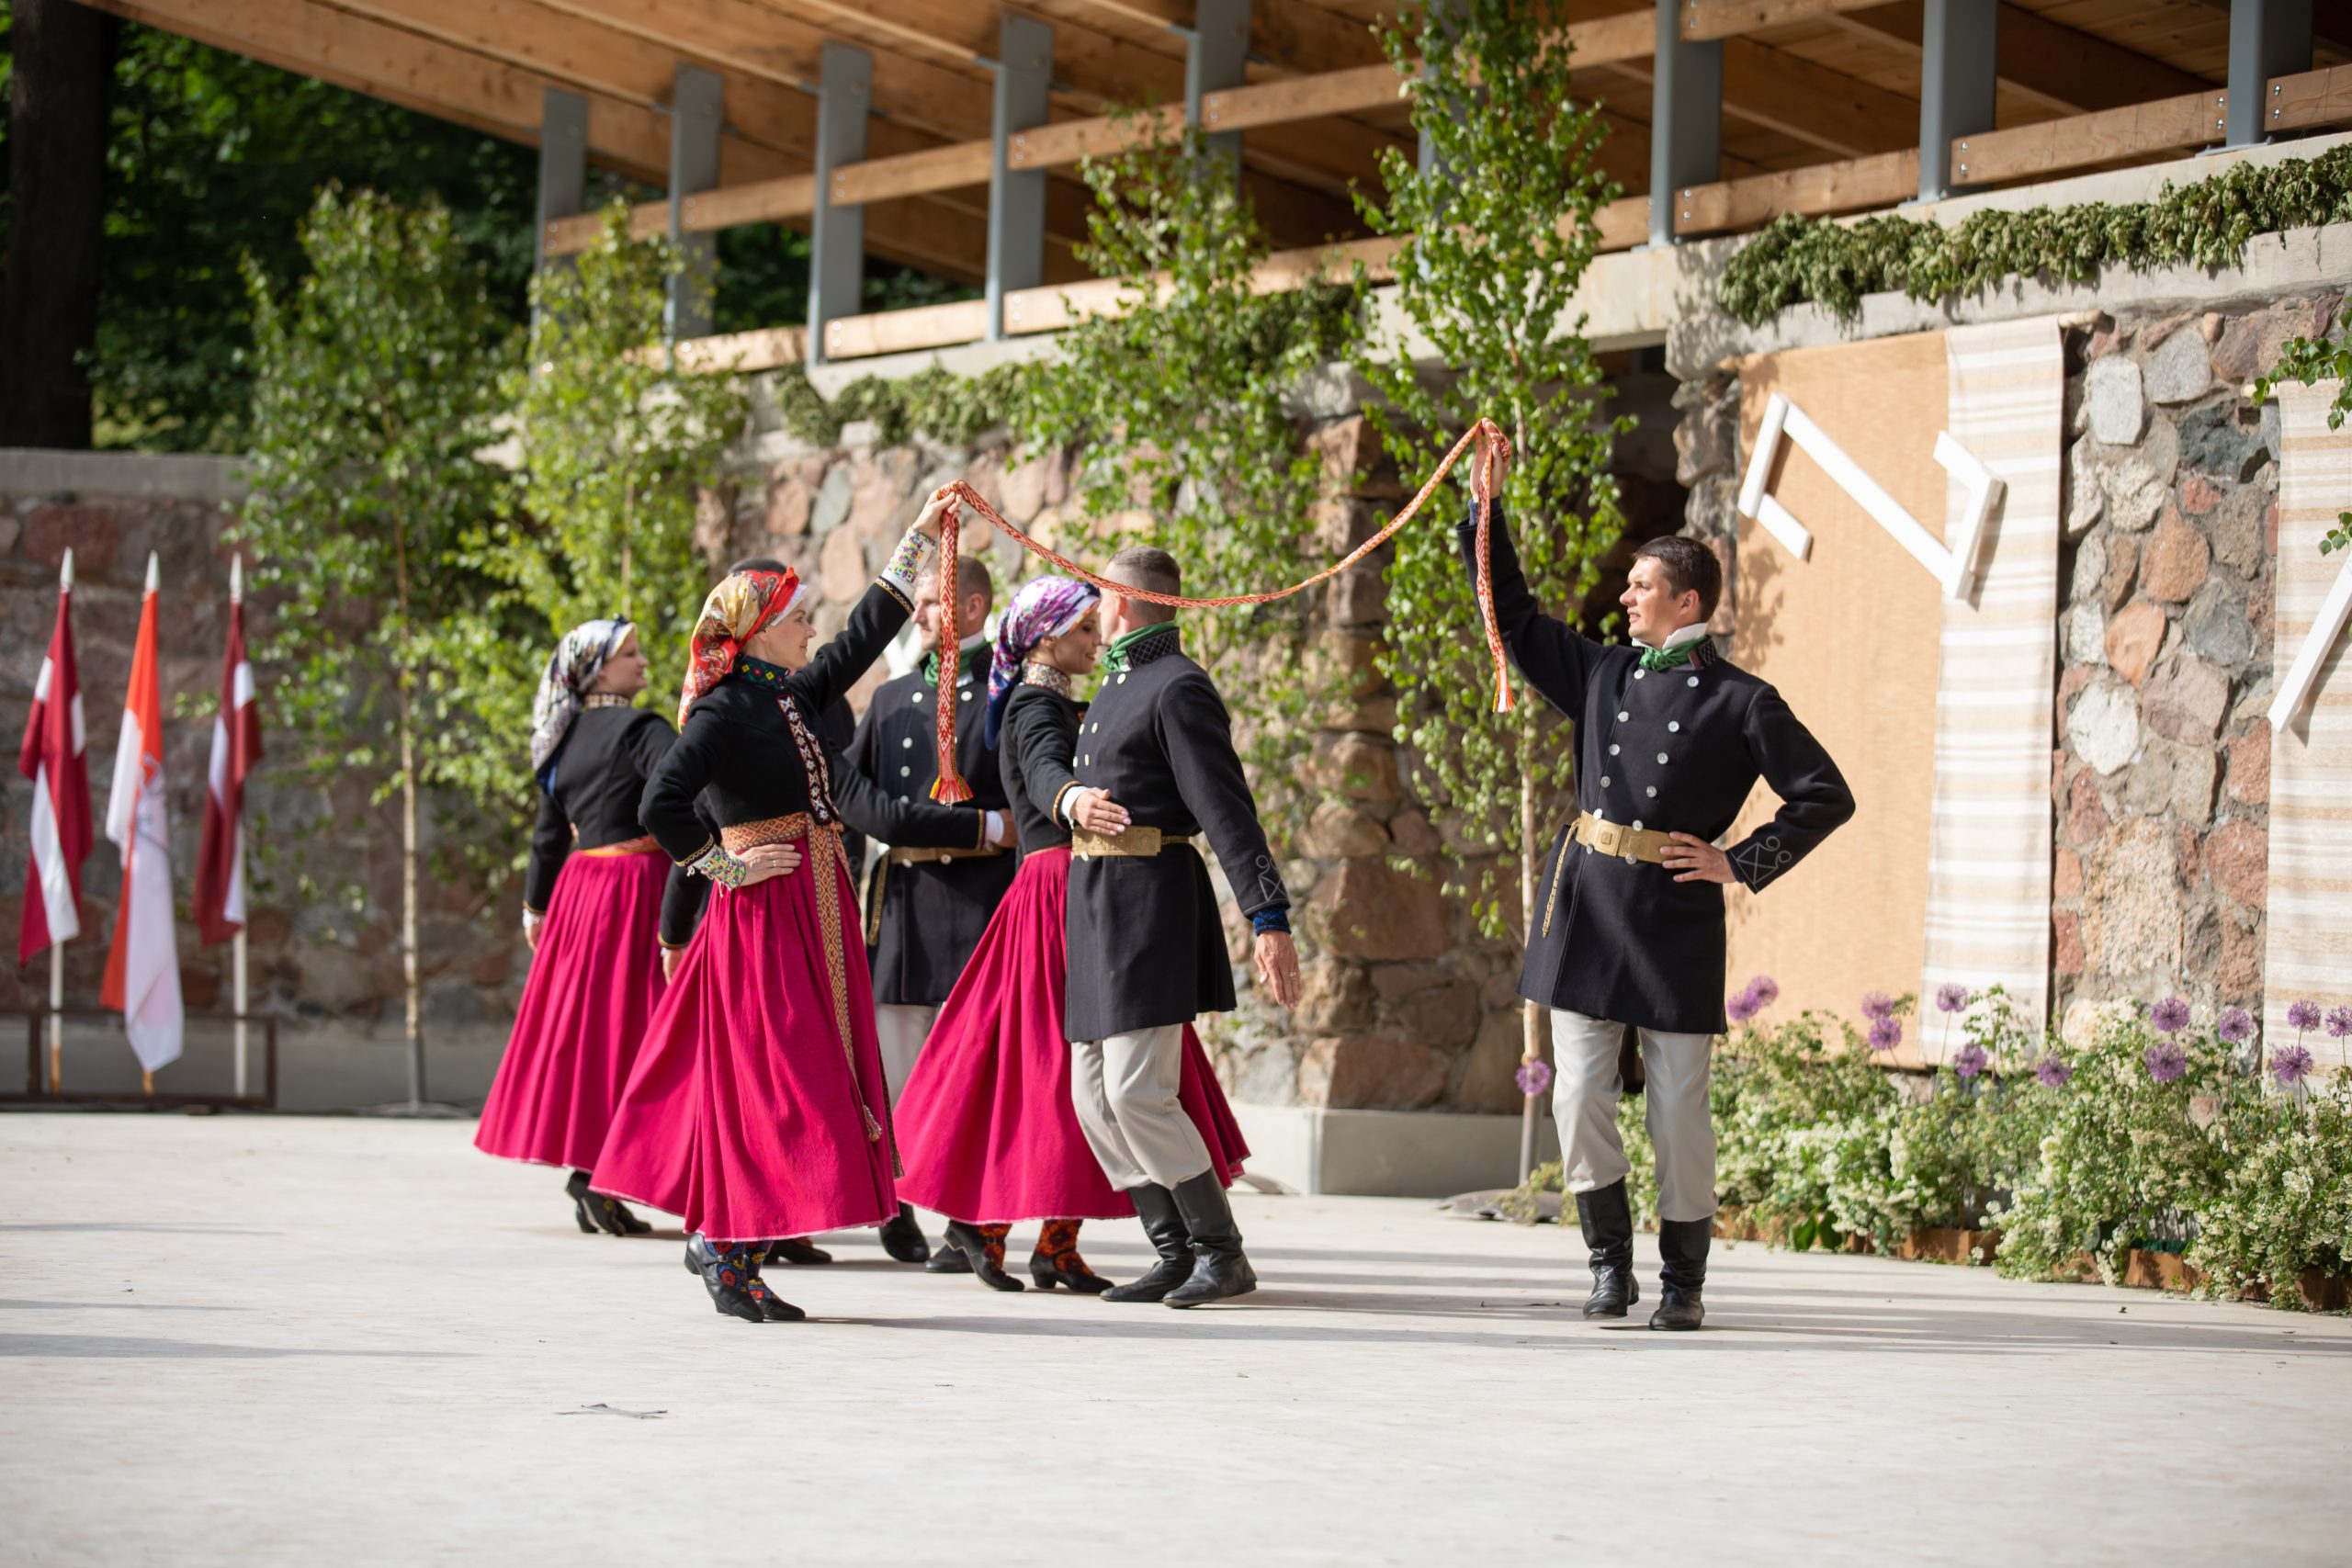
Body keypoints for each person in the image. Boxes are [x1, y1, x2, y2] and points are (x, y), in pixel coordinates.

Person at [1463, 451, 1854, 1331]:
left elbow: (1825, 795)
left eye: (1642, 586)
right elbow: (1513, 617)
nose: (1626, 595)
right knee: (1576, 1095)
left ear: (1688, 601)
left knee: (1678, 1109)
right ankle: (1610, 1266)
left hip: (1676, 917)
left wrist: (1739, 861)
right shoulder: (1602, 672)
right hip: (1586, 906)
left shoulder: (1743, 700)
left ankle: (1684, 1281)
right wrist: (1486, 512)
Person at [590, 491, 954, 1325]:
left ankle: (731, 1243)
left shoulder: (791, 694)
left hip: (814, 901)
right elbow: (661, 803)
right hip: (764, 917)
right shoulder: (722, 711)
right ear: (756, 629)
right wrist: (725, 865)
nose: (810, 628)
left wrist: (919, 536)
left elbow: (866, 632)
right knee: (783, 1081)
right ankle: (726, 1245)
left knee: (814, 1074)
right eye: (796, 617)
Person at [893, 575, 1252, 1293]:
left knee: (1086, 1082)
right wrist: (1073, 797)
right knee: (1062, 1080)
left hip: (1083, 886)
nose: (1096, 641)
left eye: (1097, 626)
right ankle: (1017, 1228)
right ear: (1047, 638)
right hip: (1064, 890)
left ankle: (1125, 1244)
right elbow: (1042, 767)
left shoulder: (1064, 701)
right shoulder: (1036, 703)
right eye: (1083, 630)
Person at [1060, 547, 1301, 1308]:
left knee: (1136, 1089)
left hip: (1149, 907)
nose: (1094, 610)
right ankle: (1174, 1251)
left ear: (1123, 601)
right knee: (1093, 1097)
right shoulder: (1116, 685)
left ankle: (1222, 1252)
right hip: (1095, 907)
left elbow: (1227, 811)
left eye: (1101, 596)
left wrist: (1268, 916)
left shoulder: (1177, 685)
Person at [845, 553, 1019, 1264]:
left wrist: (997, 831)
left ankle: (965, 1218)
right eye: (916, 602)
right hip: (905, 906)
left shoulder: (1008, 694)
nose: (916, 615)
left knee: (969, 1072)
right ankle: (895, 1199)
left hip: (981, 903)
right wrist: (978, 825)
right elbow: (849, 795)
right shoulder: (890, 699)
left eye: (932, 602)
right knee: (895, 1070)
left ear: (973, 608)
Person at [473, 618, 671, 1238]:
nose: (642, 662)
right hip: (637, 886)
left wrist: (535, 909)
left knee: (594, 1035)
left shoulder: (560, 738)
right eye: (630, 654)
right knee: (639, 1029)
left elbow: (547, 837)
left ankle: (594, 1173)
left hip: (580, 893)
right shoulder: (642, 730)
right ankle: (604, 1175)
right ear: (598, 669)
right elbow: (681, 790)